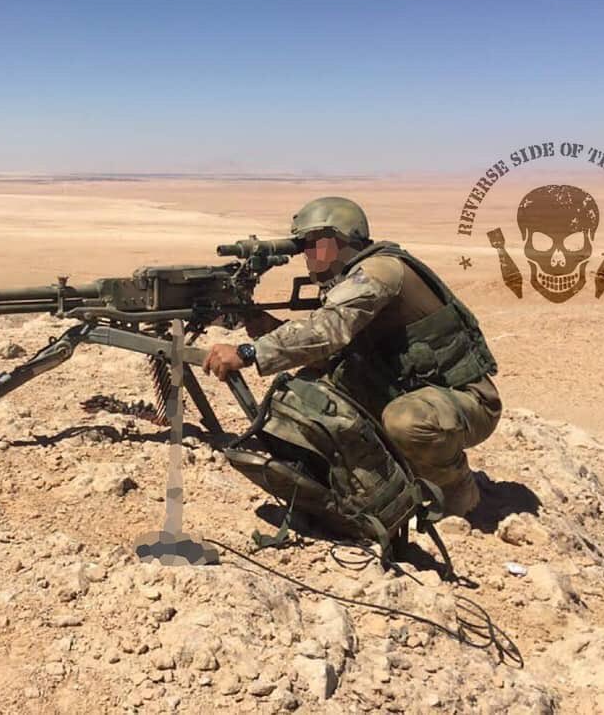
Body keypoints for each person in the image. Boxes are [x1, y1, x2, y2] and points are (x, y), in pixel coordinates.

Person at [202, 197, 501, 517]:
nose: (307, 255)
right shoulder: (348, 278)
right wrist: (264, 326)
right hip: (404, 388)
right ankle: (370, 482)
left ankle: (459, 490)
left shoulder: (379, 270)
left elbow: (327, 330)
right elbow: (331, 351)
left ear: (338, 241)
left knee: (406, 421)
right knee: (312, 389)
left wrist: (250, 353)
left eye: (312, 244)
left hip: (465, 402)